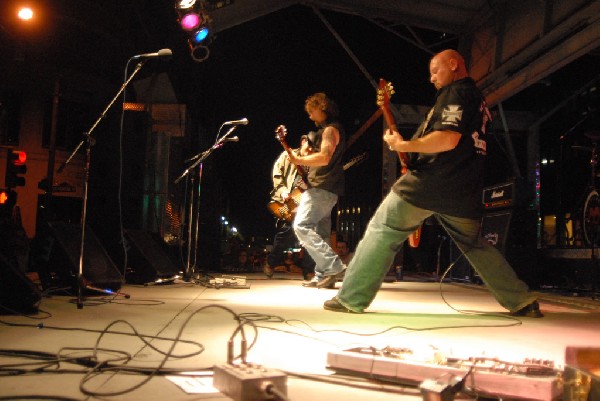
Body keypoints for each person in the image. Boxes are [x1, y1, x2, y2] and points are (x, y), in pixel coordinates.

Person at [323, 49, 542, 317]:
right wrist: (411, 149)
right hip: (465, 189)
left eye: (435, 71)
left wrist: (403, 144)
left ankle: (351, 298)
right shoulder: (478, 101)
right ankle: (520, 300)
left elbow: (447, 139)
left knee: (384, 228)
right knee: (475, 245)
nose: (431, 79)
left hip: (432, 181)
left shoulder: (457, 93)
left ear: (453, 64)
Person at [288, 92, 346, 289]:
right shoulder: (328, 130)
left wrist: (299, 160)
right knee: (321, 232)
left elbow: (325, 158)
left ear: (322, 108)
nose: (310, 116)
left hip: (322, 187)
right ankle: (323, 276)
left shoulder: (330, 130)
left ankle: (334, 266)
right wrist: (306, 153)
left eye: (312, 111)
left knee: (301, 226)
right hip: (328, 188)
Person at [264, 135, 316, 280]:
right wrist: (283, 191)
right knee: (286, 233)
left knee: (309, 233)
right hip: (288, 200)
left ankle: (309, 270)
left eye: (314, 146)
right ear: (302, 142)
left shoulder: (316, 160)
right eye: (309, 145)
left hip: (307, 202)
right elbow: (277, 174)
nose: (311, 149)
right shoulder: (288, 156)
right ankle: (271, 262)